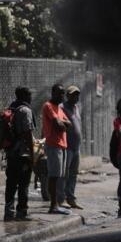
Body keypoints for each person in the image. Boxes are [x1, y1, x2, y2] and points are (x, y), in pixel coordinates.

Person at [4, 87, 35, 221]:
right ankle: (22, 212)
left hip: (10, 153)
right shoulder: (25, 110)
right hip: (22, 154)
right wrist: (33, 153)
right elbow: (27, 133)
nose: (31, 97)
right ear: (24, 96)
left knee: (11, 183)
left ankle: (8, 213)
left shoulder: (11, 108)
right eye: (29, 95)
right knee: (23, 183)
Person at [41, 84, 72, 215]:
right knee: (53, 176)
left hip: (62, 145)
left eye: (63, 93)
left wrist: (62, 123)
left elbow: (68, 124)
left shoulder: (59, 108)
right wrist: (62, 123)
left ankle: (57, 204)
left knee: (60, 175)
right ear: (53, 93)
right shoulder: (48, 106)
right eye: (59, 93)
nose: (62, 96)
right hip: (53, 144)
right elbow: (59, 125)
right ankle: (53, 206)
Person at [60, 85, 83, 210]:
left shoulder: (76, 108)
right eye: (73, 94)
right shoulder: (61, 108)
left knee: (73, 174)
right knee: (64, 173)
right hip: (66, 146)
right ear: (67, 95)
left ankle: (71, 198)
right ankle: (61, 199)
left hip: (76, 147)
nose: (76, 97)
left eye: (77, 94)